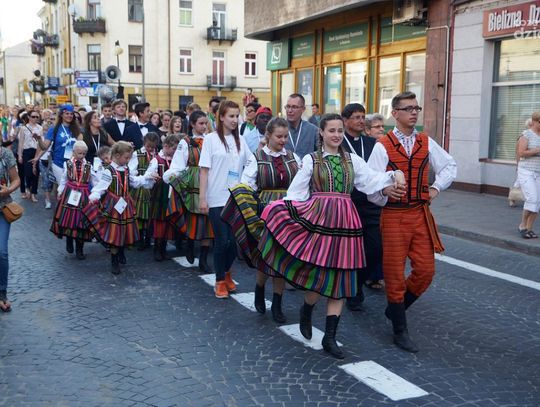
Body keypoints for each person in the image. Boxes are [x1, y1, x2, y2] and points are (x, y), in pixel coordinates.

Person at [258, 113, 402, 358]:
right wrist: (280, 210)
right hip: (320, 220)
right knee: (319, 276)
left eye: (340, 131)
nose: (336, 135)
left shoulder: (353, 160)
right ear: (322, 133)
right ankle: (307, 308)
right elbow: (296, 193)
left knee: (342, 279)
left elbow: (370, 180)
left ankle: (330, 337)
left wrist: (392, 176)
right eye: (332, 130)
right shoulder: (311, 160)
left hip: (347, 221)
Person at [368, 91, 457, 353]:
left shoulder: (425, 141)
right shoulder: (382, 145)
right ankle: (400, 330)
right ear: (395, 113)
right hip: (393, 215)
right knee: (394, 273)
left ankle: (396, 308)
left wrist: (436, 188)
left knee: (426, 271)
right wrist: (384, 191)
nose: (413, 113)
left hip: (419, 213)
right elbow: (370, 184)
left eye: (416, 108)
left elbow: (450, 166)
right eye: (408, 109)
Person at [223, 117, 301, 323]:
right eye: (279, 136)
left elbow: (303, 183)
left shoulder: (294, 157)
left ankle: (277, 304)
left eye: (286, 136)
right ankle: (259, 288)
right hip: (266, 212)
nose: (283, 140)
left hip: (288, 213)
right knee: (267, 257)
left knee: (282, 259)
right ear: (268, 135)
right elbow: (246, 185)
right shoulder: (257, 158)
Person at [199, 101, 253, 298]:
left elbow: (251, 163)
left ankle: (227, 272)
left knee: (233, 242)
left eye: (237, 116)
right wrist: (202, 198)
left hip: (236, 197)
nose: (235, 120)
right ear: (221, 117)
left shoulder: (241, 140)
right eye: (231, 116)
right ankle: (220, 280)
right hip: (216, 197)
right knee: (222, 241)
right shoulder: (210, 139)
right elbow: (204, 170)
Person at [84, 141, 156, 274]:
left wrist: (148, 178)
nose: (128, 160)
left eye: (129, 158)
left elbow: (134, 182)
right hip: (113, 205)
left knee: (124, 230)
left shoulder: (126, 169)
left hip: (125, 203)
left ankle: (121, 251)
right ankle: (114, 260)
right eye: (126, 158)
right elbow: (101, 187)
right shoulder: (109, 171)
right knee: (114, 232)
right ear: (117, 156)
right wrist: (93, 197)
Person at [341, 103, 383, 312]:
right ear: (345, 120)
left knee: (376, 248)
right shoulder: (339, 142)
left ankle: (358, 282)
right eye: (356, 117)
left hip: (372, 204)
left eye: (362, 117)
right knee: (350, 250)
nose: (360, 120)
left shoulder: (372, 143)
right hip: (350, 204)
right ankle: (352, 292)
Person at [164, 110, 214, 272]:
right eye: (201, 123)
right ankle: (190, 245)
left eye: (206, 123)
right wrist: (173, 178)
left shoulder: (212, 140)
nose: (204, 126)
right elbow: (178, 164)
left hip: (210, 183)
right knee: (194, 220)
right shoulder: (185, 142)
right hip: (193, 184)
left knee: (208, 223)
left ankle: (203, 260)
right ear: (192, 124)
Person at [50, 141, 93, 260]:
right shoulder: (67, 164)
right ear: (73, 152)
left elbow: (94, 180)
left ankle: (80, 249)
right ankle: (69, 239)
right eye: (79, 153)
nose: (81, 156)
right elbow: (64, 179)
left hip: (83, 194)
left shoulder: (89, 165)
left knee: (81, 222)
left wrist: (96, 194)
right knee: (69, 220)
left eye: (84, 154)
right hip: (70, 193)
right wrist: (60, 191)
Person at [145, 134, 180, 261]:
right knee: (159, 221)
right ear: (166, 146)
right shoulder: (157, 160)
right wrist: (152, 174)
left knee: (168, 221)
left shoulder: (176, 161)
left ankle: (163, 249)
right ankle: (157, 249)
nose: (175, 151)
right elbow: (148, 173)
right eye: (174, 149)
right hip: (160, 193)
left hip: (172, 193)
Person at [34, 104, 81, 187]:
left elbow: (81, 145)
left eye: (71, 114)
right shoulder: (54, 129)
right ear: (61, 115)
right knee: (63, 188)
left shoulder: (77, 129)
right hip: (59, 164)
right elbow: (44, 147)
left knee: (73, 188)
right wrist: (39, 139)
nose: (69, 116)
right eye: (67, 113)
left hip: (74, 164)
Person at [129, 132, 160, 250]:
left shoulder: (157, 155)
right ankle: (139, 239)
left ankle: (148, 239)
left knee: (150, 214)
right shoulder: (137, 154)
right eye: (148, 146)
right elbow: (131, 170)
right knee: (139, 214)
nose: (150, 149)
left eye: (153, 147)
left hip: (153, 187)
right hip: (140, 186)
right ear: (144, 142)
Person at [0, 144, 21, 312]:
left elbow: (16, 179)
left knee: (2, 251)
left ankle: (2, 293)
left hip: (2, 208)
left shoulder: (5, 154)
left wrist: (8, 189)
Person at [517, 111, 540, 239]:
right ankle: (522, 225)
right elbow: (521, 153)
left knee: (537, 201)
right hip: (526, 171)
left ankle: (529, 228)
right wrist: (537, 150)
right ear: (535, 121)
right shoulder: (527, 134)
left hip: (538, 171)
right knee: (532, 198)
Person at [17, 110, 42, 202]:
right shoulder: (23, 128)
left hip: (36, 151)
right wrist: (20, 155)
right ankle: (28, 187)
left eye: (37, 117)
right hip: (26, 151)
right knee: (28, 173)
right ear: (29, 117)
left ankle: (33, 193)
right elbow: (21, 142)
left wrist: (39, 154)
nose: (35, 118)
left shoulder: (40, 128)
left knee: (35, 173)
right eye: (33, 116)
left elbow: (41, 142)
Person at [284, 93, 318, 159]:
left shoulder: (313, 130)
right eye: (288, 106)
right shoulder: (277, 129)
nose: (290, 110)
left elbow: (320, 153)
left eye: (294, 107)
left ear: (303, 109)